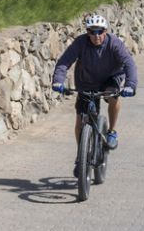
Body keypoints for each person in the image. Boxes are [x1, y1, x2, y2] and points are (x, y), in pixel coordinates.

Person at [51, 14, 138, 174]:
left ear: (105, 31)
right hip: (87, 82)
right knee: (80, 121)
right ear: (87, 32)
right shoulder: (80, 43)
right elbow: (64, 62)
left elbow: (128, 63)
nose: (96, 36)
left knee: (113, 97)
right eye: (92, 32)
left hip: (110, 78)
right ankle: (81, 157)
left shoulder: (114, 43)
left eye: (100, 31)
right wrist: (58, 80)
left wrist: (130, 85)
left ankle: (111, 131)